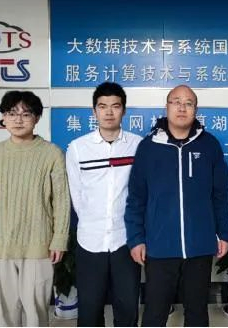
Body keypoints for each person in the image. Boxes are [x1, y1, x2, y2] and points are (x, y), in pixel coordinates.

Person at [125, 85, 228, 327]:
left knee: (197, 314)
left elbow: (221, 195)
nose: (182, 108)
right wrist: (136, 239)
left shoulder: (209, 145)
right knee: (155, 314)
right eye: (176, 102)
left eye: (188, 103)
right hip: (159, 247)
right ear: (167, 107)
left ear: (196, 109)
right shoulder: (149, 147)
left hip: (200, 246)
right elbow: (136, 198)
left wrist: (223, 233)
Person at [0, 90, 70, 327]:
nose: (18, 119)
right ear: (3, 117)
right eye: (12, 113)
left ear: (37, 118)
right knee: (5, 317)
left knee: (37, 315)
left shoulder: (52, 153)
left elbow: (61, 200)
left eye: (26, 114)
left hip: (37, 246)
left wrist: (59, 239)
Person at [66, 82, 142, 326]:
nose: (109, 112)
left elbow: (143, 193)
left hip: (125, 240)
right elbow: (77, 196)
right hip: (90, 241)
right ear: (94, 111)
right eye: (102, 106)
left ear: (124, 110)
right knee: (89, 311)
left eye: (115, 106)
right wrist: (94, 221)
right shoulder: (78, 148)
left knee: (127, 309)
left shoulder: (138, 145)